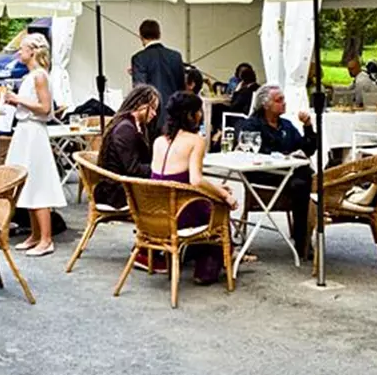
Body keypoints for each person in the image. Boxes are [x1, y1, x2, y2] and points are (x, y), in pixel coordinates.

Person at [150, 91, 238, 283]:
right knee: (219, 207)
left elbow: (178, 177)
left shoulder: (158, 141)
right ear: (191, 115)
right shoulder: (195, 140)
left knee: (213, 199)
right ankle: (207, 268)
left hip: (156, 212)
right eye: (199, 111)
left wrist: (215, 187)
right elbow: (196, 181)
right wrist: (223, 194)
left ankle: (201, 256)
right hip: (181, 213)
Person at [1, 34, 66, 256]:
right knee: (27, 183)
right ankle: (35, 235)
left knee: (38, 183)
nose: (19, 52)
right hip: (25, 131)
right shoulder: (31, 76)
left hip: (33, 133)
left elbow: (45, 108)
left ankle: (46, 239)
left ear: (33, 51)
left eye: (22, 48)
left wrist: (17, 100)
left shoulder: (39, 76)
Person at [237, 85, 318, 260]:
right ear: (265, 105)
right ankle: (302, 240)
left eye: (283, 99)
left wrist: (308, 126)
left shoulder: (286, 125)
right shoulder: (252, 125)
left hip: (289, 176)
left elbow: (308, 149)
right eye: (278, 100)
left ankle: (303, 239)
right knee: (302, 182)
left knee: (302, 180)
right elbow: (251, 153)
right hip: (263, 176)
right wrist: (283, 157)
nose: (284, 103)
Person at [94, 85, 160, 209]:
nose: (154, 114)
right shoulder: (125, 128)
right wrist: (159, 170)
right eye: (152, 108)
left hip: (124, 185)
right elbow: (133, 168)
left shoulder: (133, 125)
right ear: (140, 104)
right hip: (116, 192)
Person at [130, 19, 184, 133]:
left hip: (152, 118)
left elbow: (141, 91)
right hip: (174, 117)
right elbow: (181, 88)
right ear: (159, 34)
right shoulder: (176, 56)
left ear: (140, 36)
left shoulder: (139, 58)